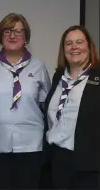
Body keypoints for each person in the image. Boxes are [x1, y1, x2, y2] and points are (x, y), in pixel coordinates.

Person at [0, 12, 51, 189]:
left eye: (18, 32)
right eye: (7, 31)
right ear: (0, 36)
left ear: (25, 37)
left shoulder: (39, 67)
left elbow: (47, 106)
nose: (13, 36)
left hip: (31, 145)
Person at [44, 25, 100, 189]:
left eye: (79, 42)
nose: (74, 47)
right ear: (63, 49)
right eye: (68, 43)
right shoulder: (58, 76)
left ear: (89, 46)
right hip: (57, 160)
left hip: (88, 164)